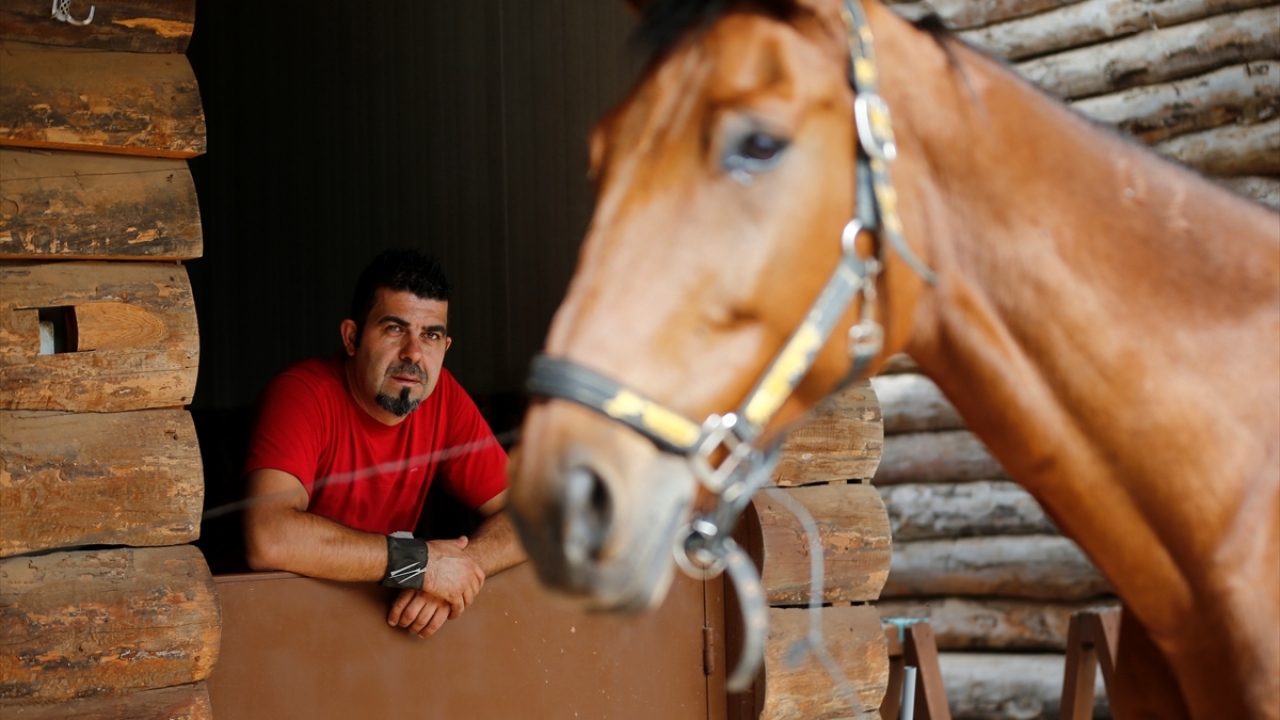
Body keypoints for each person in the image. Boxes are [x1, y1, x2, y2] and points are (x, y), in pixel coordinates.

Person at [242, 248, 525, 639]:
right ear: (352, 337)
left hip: (379, 634)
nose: (413, 353)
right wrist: (420, 564)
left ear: (445, 348)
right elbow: (269, 537)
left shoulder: (442, 398)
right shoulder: (303, 394)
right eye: (394, 329)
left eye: (431, 335)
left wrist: (459, 570)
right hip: (281, 631)